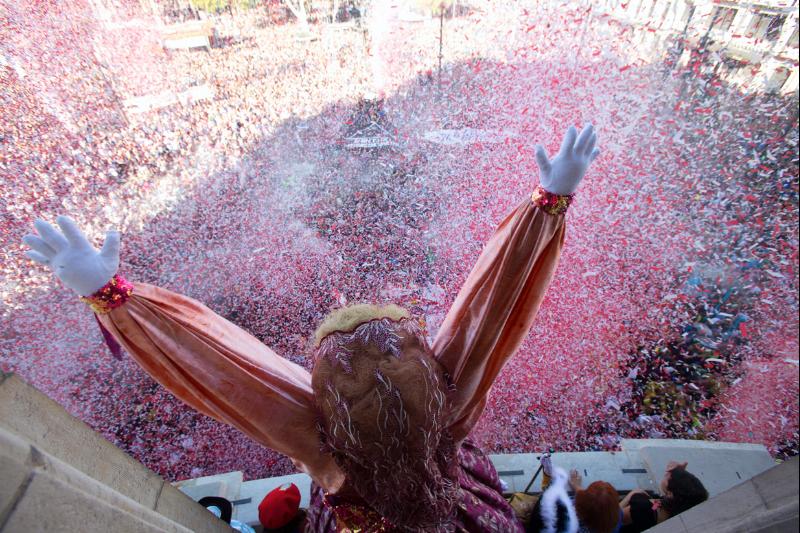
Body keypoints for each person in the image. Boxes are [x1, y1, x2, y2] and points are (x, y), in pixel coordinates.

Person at [23, 124, 600, 531]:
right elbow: (488, 315)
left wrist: (115, 298)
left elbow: (224, 371)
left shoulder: (318, 442)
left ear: (312, 400)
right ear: (439, 374)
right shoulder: (450, 407)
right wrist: (549, 203)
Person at [619, 461, 708, 533]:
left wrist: (631, 494)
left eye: (669, 477)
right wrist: (680, 474)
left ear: (670, 494)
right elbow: (654, 508)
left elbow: (615, 518)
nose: (666, 474)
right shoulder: (670, 509)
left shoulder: (641, 507)